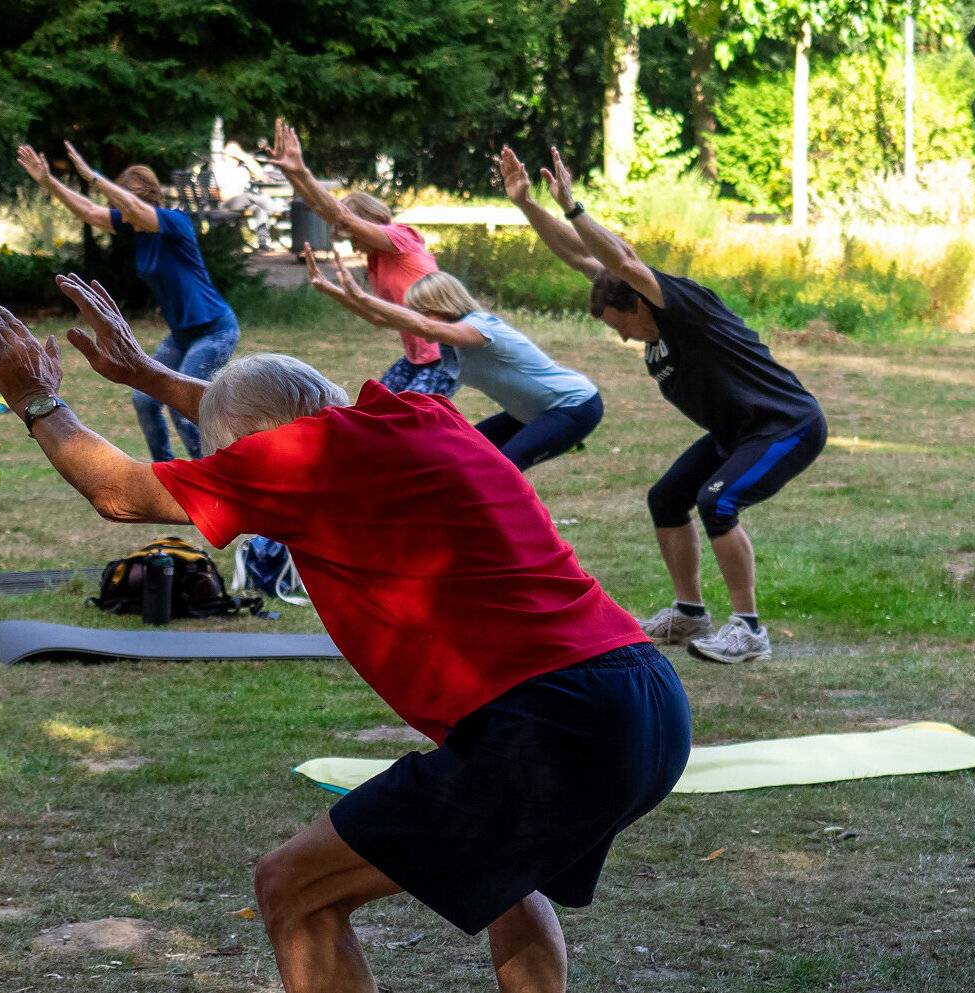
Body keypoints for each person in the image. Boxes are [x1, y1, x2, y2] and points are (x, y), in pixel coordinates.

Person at [0, 273, 691, 993]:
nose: (233, 472)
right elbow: (274, 422)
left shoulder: (296, 460)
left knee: (295, 886)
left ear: (257, 443)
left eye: (232, 455)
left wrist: (34, 398)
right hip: (644, 697)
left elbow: (119, 493)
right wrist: (148, 375)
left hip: (549, 722)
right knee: (507, 870)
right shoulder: (420, 415)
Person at [501, 146, 826, 666]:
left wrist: (573, 206)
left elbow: (623, 261)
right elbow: (582, 258)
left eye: (621, 326)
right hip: (737, 432)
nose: (624, 338)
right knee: (667, 498)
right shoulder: (630, 300)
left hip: (785, 424)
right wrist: (526, 204)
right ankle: (690, 613)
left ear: (638, 304)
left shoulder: (680, 306)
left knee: (718, 501)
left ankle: (748, 630)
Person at [16, 141, 240, 461]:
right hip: (182, 336)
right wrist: (48, 181)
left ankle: (213, 472)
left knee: (185, 407)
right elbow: (89, 211)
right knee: (144, 400)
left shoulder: (174, 223)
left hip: (215, 331)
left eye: (122, 206)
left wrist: (92, 177)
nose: (119, 215)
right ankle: (165, 470)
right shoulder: (135, 229)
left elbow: (132, 208)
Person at [303, 251, 603, 470]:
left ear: (443, 306)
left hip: (572, 405)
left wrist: (363, 296)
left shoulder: (479, 328)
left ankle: (517, 531)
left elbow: (425, 327)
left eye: (423, 311)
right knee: (465, 453)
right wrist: (333, 291)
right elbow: (383, 319)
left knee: (504, 467)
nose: (417, 319)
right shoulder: (451, 335)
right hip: (533, 411)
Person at [270, 118, 457, 396]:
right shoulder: (376, 261)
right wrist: (330, 289)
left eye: (354, 238)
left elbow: (342, 217)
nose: (355, 246)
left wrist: (301, 172)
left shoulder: (402, 238)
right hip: (417, 357)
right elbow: (379, 317)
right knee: (373, 406)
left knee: (408, 419)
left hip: (445, 354)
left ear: (367, 222)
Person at [213, 140, 283, 250]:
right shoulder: (220, 168)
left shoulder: (242, 169)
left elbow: (260, 174)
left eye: (237, 155)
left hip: (241, 202)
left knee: (259, 208)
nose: (234, 158)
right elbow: (220, 193)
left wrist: (245, 157)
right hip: (225, 204)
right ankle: (276, 209)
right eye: (232, 155)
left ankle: (263, 242)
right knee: (249, 195)